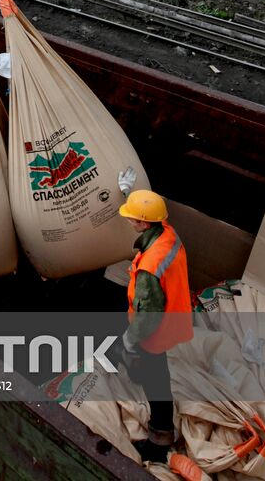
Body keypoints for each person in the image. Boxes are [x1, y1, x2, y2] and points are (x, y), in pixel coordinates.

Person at [110, 176, 194, 463]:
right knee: (148, 368)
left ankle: (161, 435)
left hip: (155, 330)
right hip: (174, 316)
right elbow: (147, 211)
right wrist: (127, 193)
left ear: (143, 224)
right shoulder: (167, 234)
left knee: (157, 383)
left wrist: (130, 340)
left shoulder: (149, 268)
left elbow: (148, 316)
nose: (129, 221)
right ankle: (135, 366)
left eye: (132, 218)